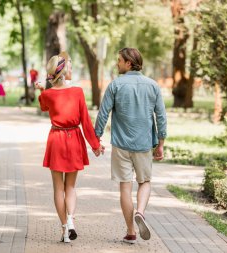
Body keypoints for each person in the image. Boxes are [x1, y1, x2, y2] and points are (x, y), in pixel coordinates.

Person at [94, 47, 167, 244]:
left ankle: (131, 231)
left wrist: (96, 139)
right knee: (145, 182)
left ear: (129, 63)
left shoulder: (115, 85)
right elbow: (161, 116)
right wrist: (161, 143)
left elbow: (103, 113)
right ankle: (141, 212)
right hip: (143, 145)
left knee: (125, 189)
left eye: (119, 60)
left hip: (121, 146)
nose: (117, 63)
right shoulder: (152, 86)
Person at [35, 51, 105, 243]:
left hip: (56, 139)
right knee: (71, 187)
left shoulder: (48, 94)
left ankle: (65, 229)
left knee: (58, 188)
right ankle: (72, 220)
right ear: (64, 71)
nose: (72, 69)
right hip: (74, 138)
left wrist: (41, 90)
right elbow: (86, 122)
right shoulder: (77, 92)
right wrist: (95, 145)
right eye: (70, 67)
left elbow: (43, 106)